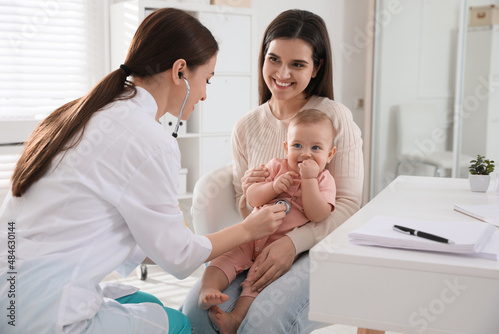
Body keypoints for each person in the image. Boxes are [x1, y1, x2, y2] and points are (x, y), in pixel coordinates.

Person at [0, 8, 287, 334]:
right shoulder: (148, 139)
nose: (205, 94)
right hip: (43, 312)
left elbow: (119, 229)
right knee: (180, 323)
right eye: (206, 80)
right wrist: (250, 229)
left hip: (9, 293)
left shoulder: (80, 113)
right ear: (180, 71)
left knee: (142, 298)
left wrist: (169, 233)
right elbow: (179, 258)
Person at [182, 8, 368, 334]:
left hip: (317, 250)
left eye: (297, 64)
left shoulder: (334, 118)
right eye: (274, 59)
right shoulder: (247, 126)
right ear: (263, 58)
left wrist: (294, 243)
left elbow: (349, 208)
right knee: (195, 314)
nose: (282, 73)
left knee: (264, 320)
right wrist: (252, 187)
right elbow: (245, 206)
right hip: (259, 243)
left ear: (317, 67)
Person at [198, 109, 337, 333]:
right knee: (222, 259)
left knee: (257, 283)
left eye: (316, 148)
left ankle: (235, 319)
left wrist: (309, 180)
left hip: (275, 249)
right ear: (286, 147)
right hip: (250, 235)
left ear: (330, 154)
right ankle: (208, 290)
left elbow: (318, 214)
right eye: (297, 146)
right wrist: (272, 187)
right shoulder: (275, 166)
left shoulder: (323, 179)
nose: (305, 154)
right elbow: (252, 197)